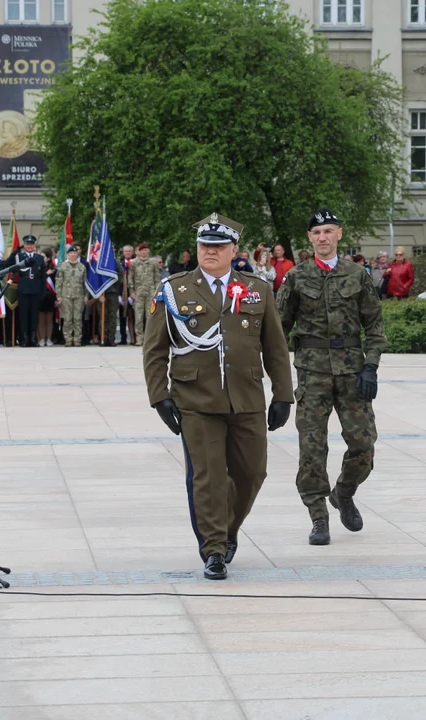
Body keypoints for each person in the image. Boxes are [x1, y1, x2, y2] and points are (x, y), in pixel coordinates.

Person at [143, 214, 294, 580]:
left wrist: (283, 395)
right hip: (195, 400)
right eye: (204, 246)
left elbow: (275, 346)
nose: (210, 251)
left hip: (247, 398)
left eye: (218, 246)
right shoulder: (174, 289)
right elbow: (154, 350)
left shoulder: (257, 289)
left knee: (252, 472)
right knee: (208, 477)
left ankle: (226, 530)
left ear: (234, 251)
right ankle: (213, 550)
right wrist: (160, 397)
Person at [277, 209, 386, 546]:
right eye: (316, 232)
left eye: (328, 231)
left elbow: (375, 326)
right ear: (309, 238)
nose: (322, 237)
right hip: (312, 372)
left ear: (339, 234)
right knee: (312, 448)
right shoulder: (296, 277)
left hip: (352, 371)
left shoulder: (358, 274)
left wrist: (371, 366)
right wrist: (276, 376)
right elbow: (278, 328)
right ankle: (319, 516)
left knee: (364, 444)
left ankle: (344, 491)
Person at [2, 235, 47, 347]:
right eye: (27, 244)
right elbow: (7, 264)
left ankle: (33, 339)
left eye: (31, 244)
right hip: (23, 289)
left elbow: (43, 277)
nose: (29, 246)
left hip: (36, 289)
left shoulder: (39, 258)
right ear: (24, 245)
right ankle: (24, 339)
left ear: (34, 245)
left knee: (34, 316)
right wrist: (13, 253)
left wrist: (43, 292)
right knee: (23, 315)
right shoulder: (19, 257)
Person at [128, 242, 160, 345]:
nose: (144, 252)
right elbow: (130, 278)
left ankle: (149, 338)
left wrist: (157, 291)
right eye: (142, 250)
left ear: (148, 251)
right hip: (138, 293)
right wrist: (131, 291)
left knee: (150, 316)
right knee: (138, 317)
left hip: (151, 292)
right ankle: (139, 338)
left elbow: (156, 278)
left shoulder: (153, 263)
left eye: (146, 250)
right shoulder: (134, 263)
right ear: (138, 252)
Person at [118, 244, 136, 345]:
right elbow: (118, 280)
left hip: (133, 294)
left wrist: (132, 294)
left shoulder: (136, 263)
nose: (128, 253)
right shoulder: (120, 265)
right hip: (122, 294)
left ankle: (134, 338)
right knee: (122, 317)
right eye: (126, 251)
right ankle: (123, 338)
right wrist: (119, 295)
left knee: (133, 317)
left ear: (132, 252)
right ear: (123, 253)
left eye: (129, 251)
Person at [39, 249, 57, 346]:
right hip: (40, 296)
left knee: (49, 319)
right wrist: (46, 274)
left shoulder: (53, 268)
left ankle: (49, 339)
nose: (42, 259)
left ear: (48, 258)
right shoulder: (38, 268)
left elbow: (56, 283)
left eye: (43, 257)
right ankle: (42, 338)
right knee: (41, 319)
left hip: (50, 296)